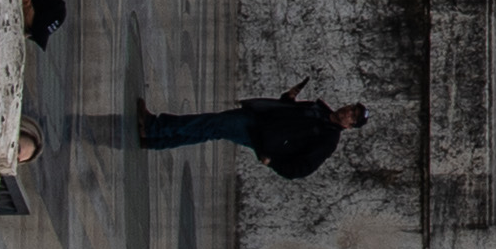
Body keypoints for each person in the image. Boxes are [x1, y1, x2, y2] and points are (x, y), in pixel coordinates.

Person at [139, 92, 367, 178]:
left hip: (259, 136)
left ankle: (154, 128)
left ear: (350, 126)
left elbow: (303, 168)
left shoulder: (328, 140)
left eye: (352, 116)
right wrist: (288, 99)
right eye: (350, 108)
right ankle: (157, 140)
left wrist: (273, 162)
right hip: (259, 120)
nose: (347, 112)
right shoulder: (320, 110)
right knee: (211, 127)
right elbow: (290, 116)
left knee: (211, 123)